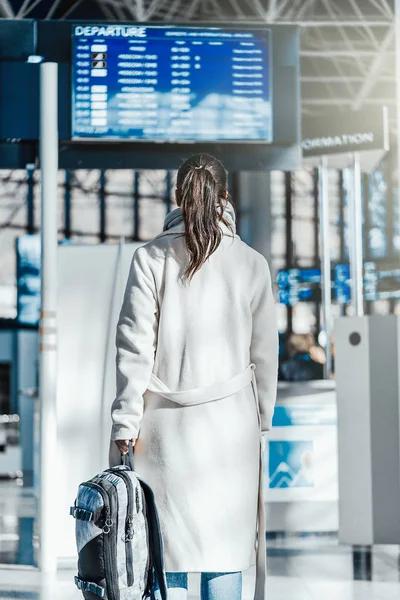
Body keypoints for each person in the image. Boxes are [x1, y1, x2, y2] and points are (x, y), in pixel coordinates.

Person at [108, 153, 279, 600]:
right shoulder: (252, 264)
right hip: (232, 433)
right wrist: (261, 423)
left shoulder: (150, 259)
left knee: (168, 556)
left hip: (165, 433)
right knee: (224, 553)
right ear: (226, 196)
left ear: (177, 196)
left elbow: (133, 351)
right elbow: (265, 357)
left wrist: (124, 425)